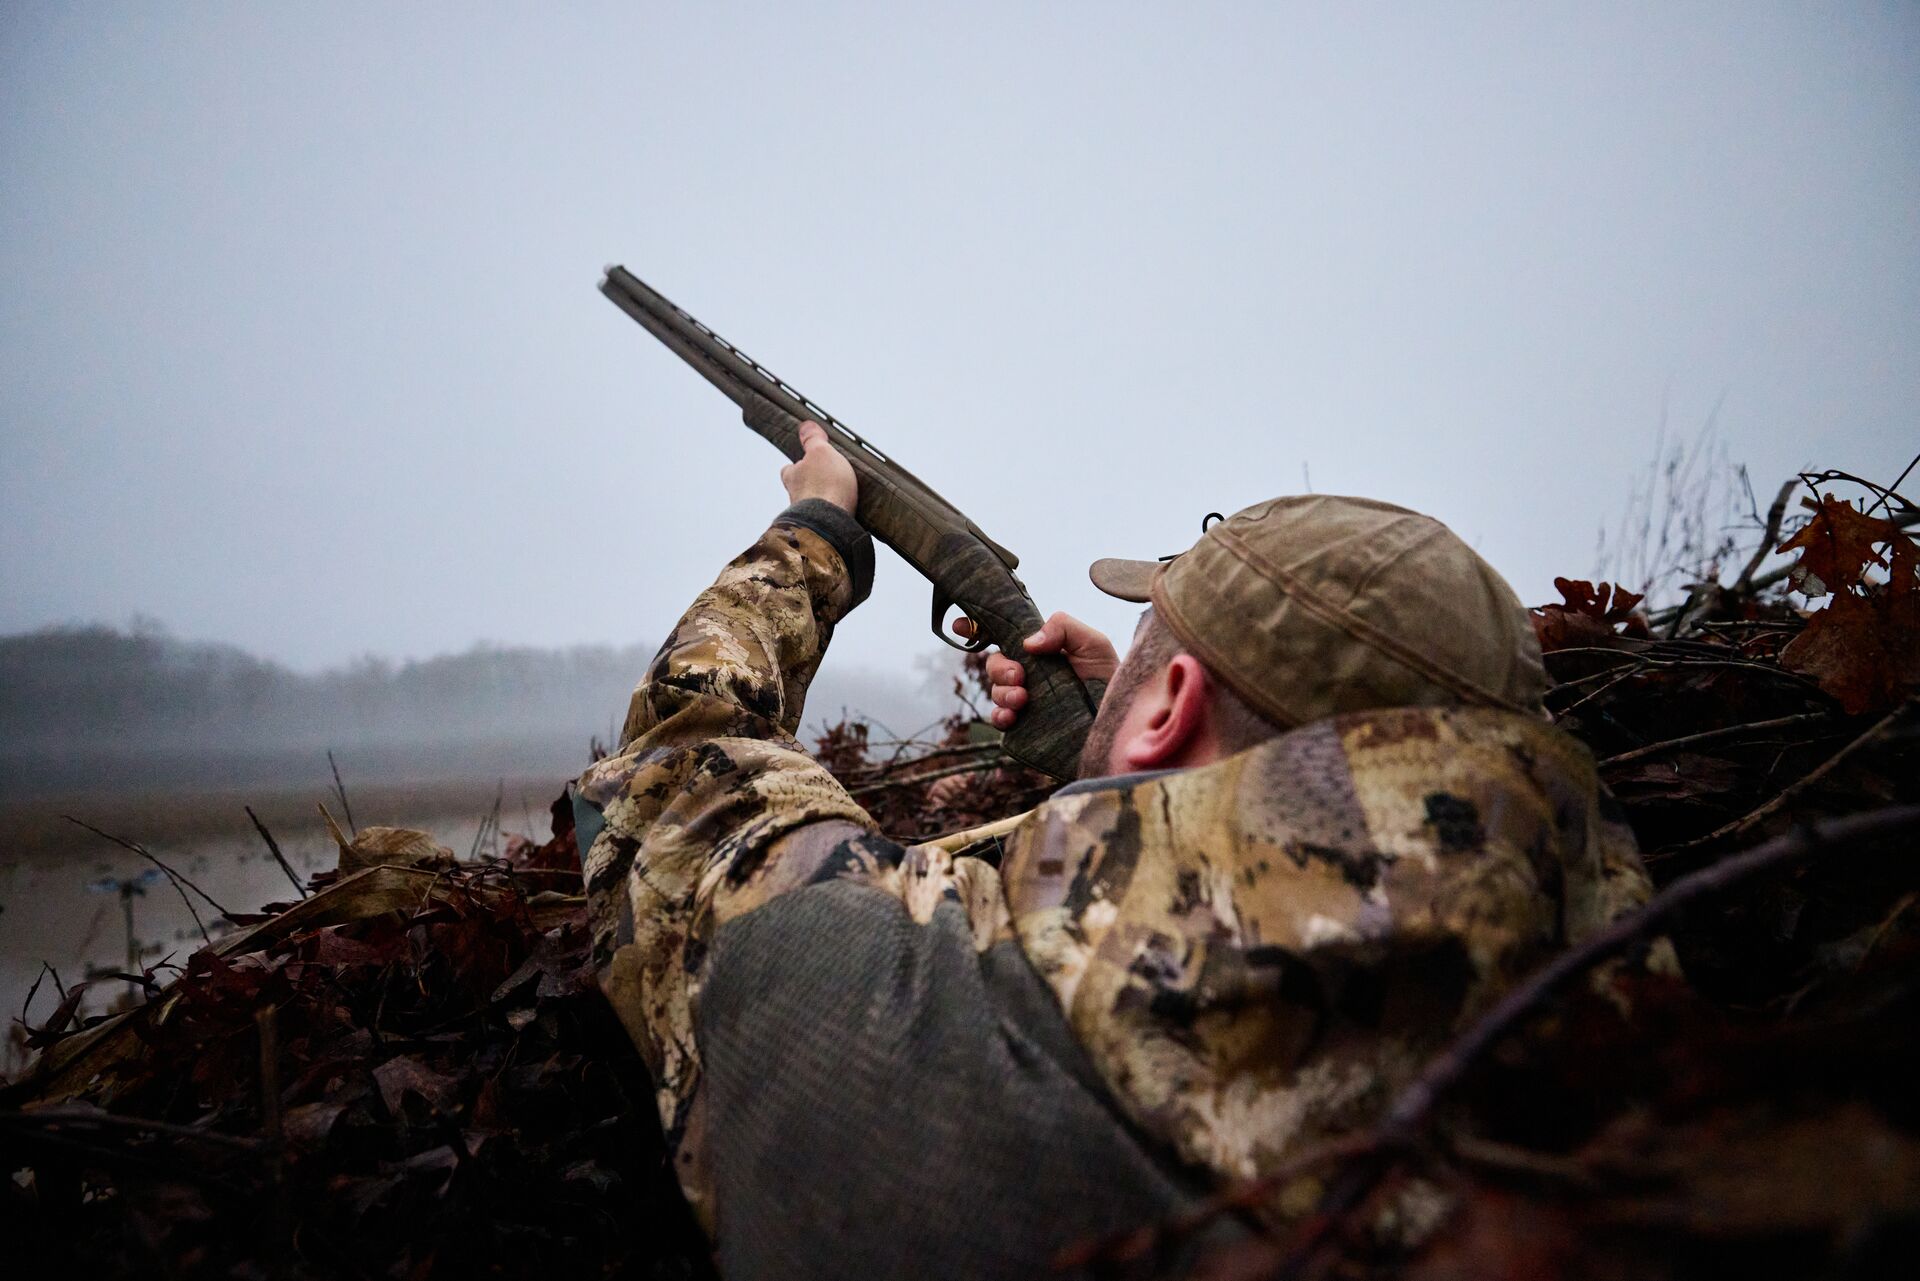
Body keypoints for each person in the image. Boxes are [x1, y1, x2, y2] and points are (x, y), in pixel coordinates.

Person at [573, 422, 1661, 1279]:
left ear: (1172, 703)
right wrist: (1117, 765)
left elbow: (685, 768)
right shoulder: (1619, 1101)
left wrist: (818, 530)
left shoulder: (920, 1019)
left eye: (1151, 646)